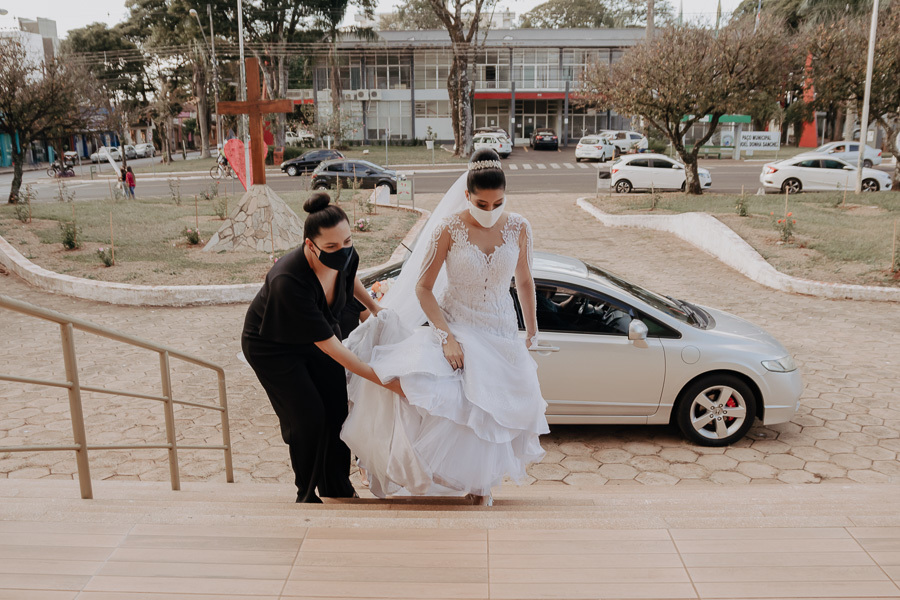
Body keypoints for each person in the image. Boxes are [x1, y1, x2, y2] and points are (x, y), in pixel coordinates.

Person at [342, 148, 549, 506]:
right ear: (467, 195)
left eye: (497, 203)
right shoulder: (448, 228)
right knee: (442, 396)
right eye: (481, 204)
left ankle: (481, 486)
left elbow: (525, 280)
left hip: (501, 330)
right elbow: (423, 288)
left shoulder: (519, 227)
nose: (489, 210)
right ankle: (412, 467)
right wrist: (445, 337)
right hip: (458, 325)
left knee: (494, 410)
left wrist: (532, 330)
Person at [241, 192, 402, 503]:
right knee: (309, 416)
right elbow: (335, 351)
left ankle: (337, 488)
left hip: (319, 330)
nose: (342, 251)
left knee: (336, 409)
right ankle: (307, 494)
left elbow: (349, 276)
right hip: (273, 345)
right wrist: (385, 380)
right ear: (309, 245)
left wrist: (374, 307)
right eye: (331, 247)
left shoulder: (344, 253)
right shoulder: (289, 281)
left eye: (347, 241)